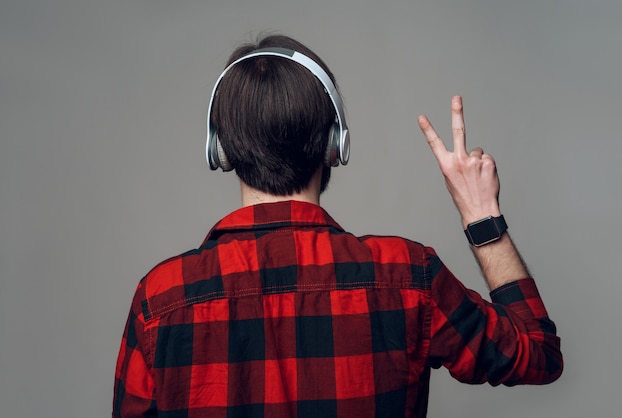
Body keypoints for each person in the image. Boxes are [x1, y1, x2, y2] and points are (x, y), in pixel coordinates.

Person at [113, 34, 562, 418]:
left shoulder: (160, 298)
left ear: (220, 150)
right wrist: (482, 216)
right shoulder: (408, 276)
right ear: (335, 144)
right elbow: (538, 354)